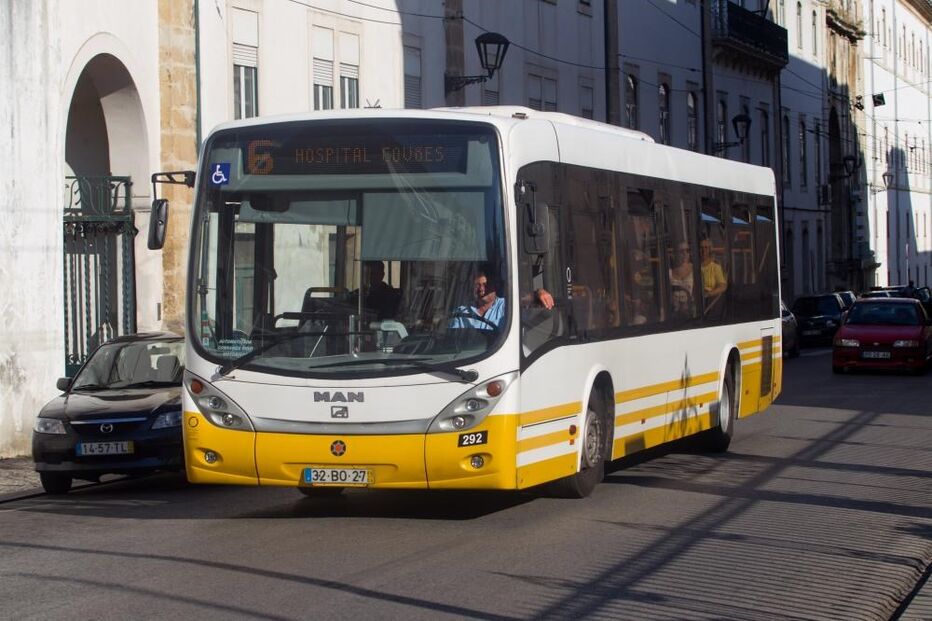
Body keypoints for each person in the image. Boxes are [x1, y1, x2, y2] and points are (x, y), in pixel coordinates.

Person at [450, 269, 554, 331]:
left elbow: (529, 299)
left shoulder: (508, 306)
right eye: (478, 285)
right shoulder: (461, 312)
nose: (482, 289)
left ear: (494, 286)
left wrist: (540, 292)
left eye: (486, 285)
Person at [699, 237, 727, 310]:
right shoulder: (693, 265)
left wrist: (709, 294)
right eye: (701, 247)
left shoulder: (715, 266)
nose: (703, 250)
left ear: (710, 250)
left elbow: (722, 286)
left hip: (709, 301)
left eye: (706, 248)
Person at [669, 241, 694, 317]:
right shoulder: (668, 272)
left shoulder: (695, 269)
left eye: (687, 251)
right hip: (673, 313)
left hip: (691, 313)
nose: (685, 254)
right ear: (675, 254)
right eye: (681, 251)